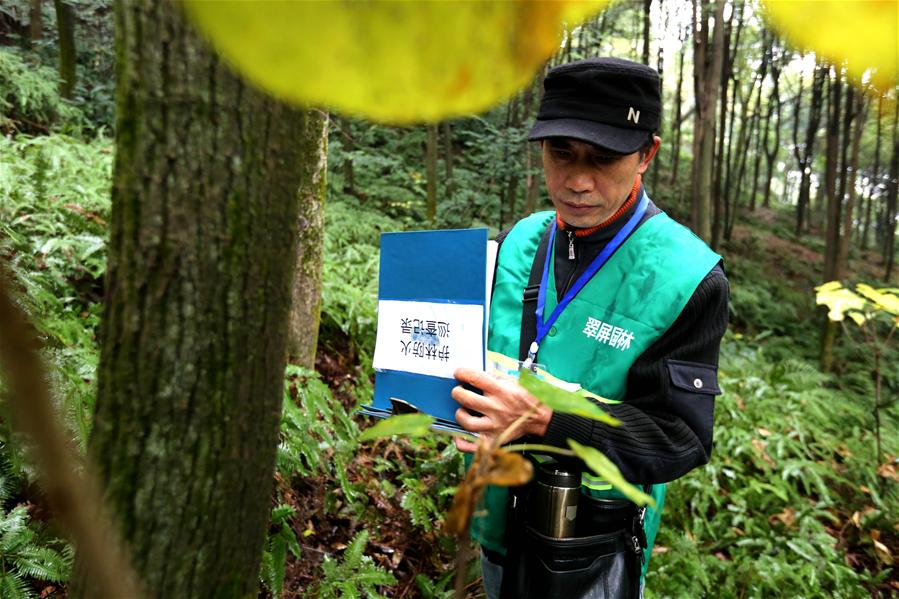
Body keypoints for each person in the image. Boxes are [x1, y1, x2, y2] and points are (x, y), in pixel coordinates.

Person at [450, 57, 729, 598]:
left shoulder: (687, 277)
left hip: (587, 551)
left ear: (647, 153)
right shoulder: (521, 241)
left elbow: (682, 438)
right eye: (561, 153)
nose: (577, 181)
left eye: (604, 158)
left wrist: (547, 421)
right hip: (494, 523)